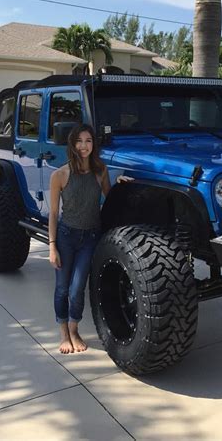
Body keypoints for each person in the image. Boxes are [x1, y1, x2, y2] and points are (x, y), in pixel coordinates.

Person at [48, 124, 133, 354]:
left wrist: (120, 184)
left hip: (90, 238)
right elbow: (54, 213)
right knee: (62, 288)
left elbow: (109, 198)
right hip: (66, 237)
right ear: (72, 144)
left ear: (93, 145)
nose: (84, 146)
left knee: (77, 288)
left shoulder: (100, 170)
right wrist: (52, 246)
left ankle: (74, 329)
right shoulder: (60, 175)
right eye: (79, 141)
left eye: (88, 141)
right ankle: (64, 332)